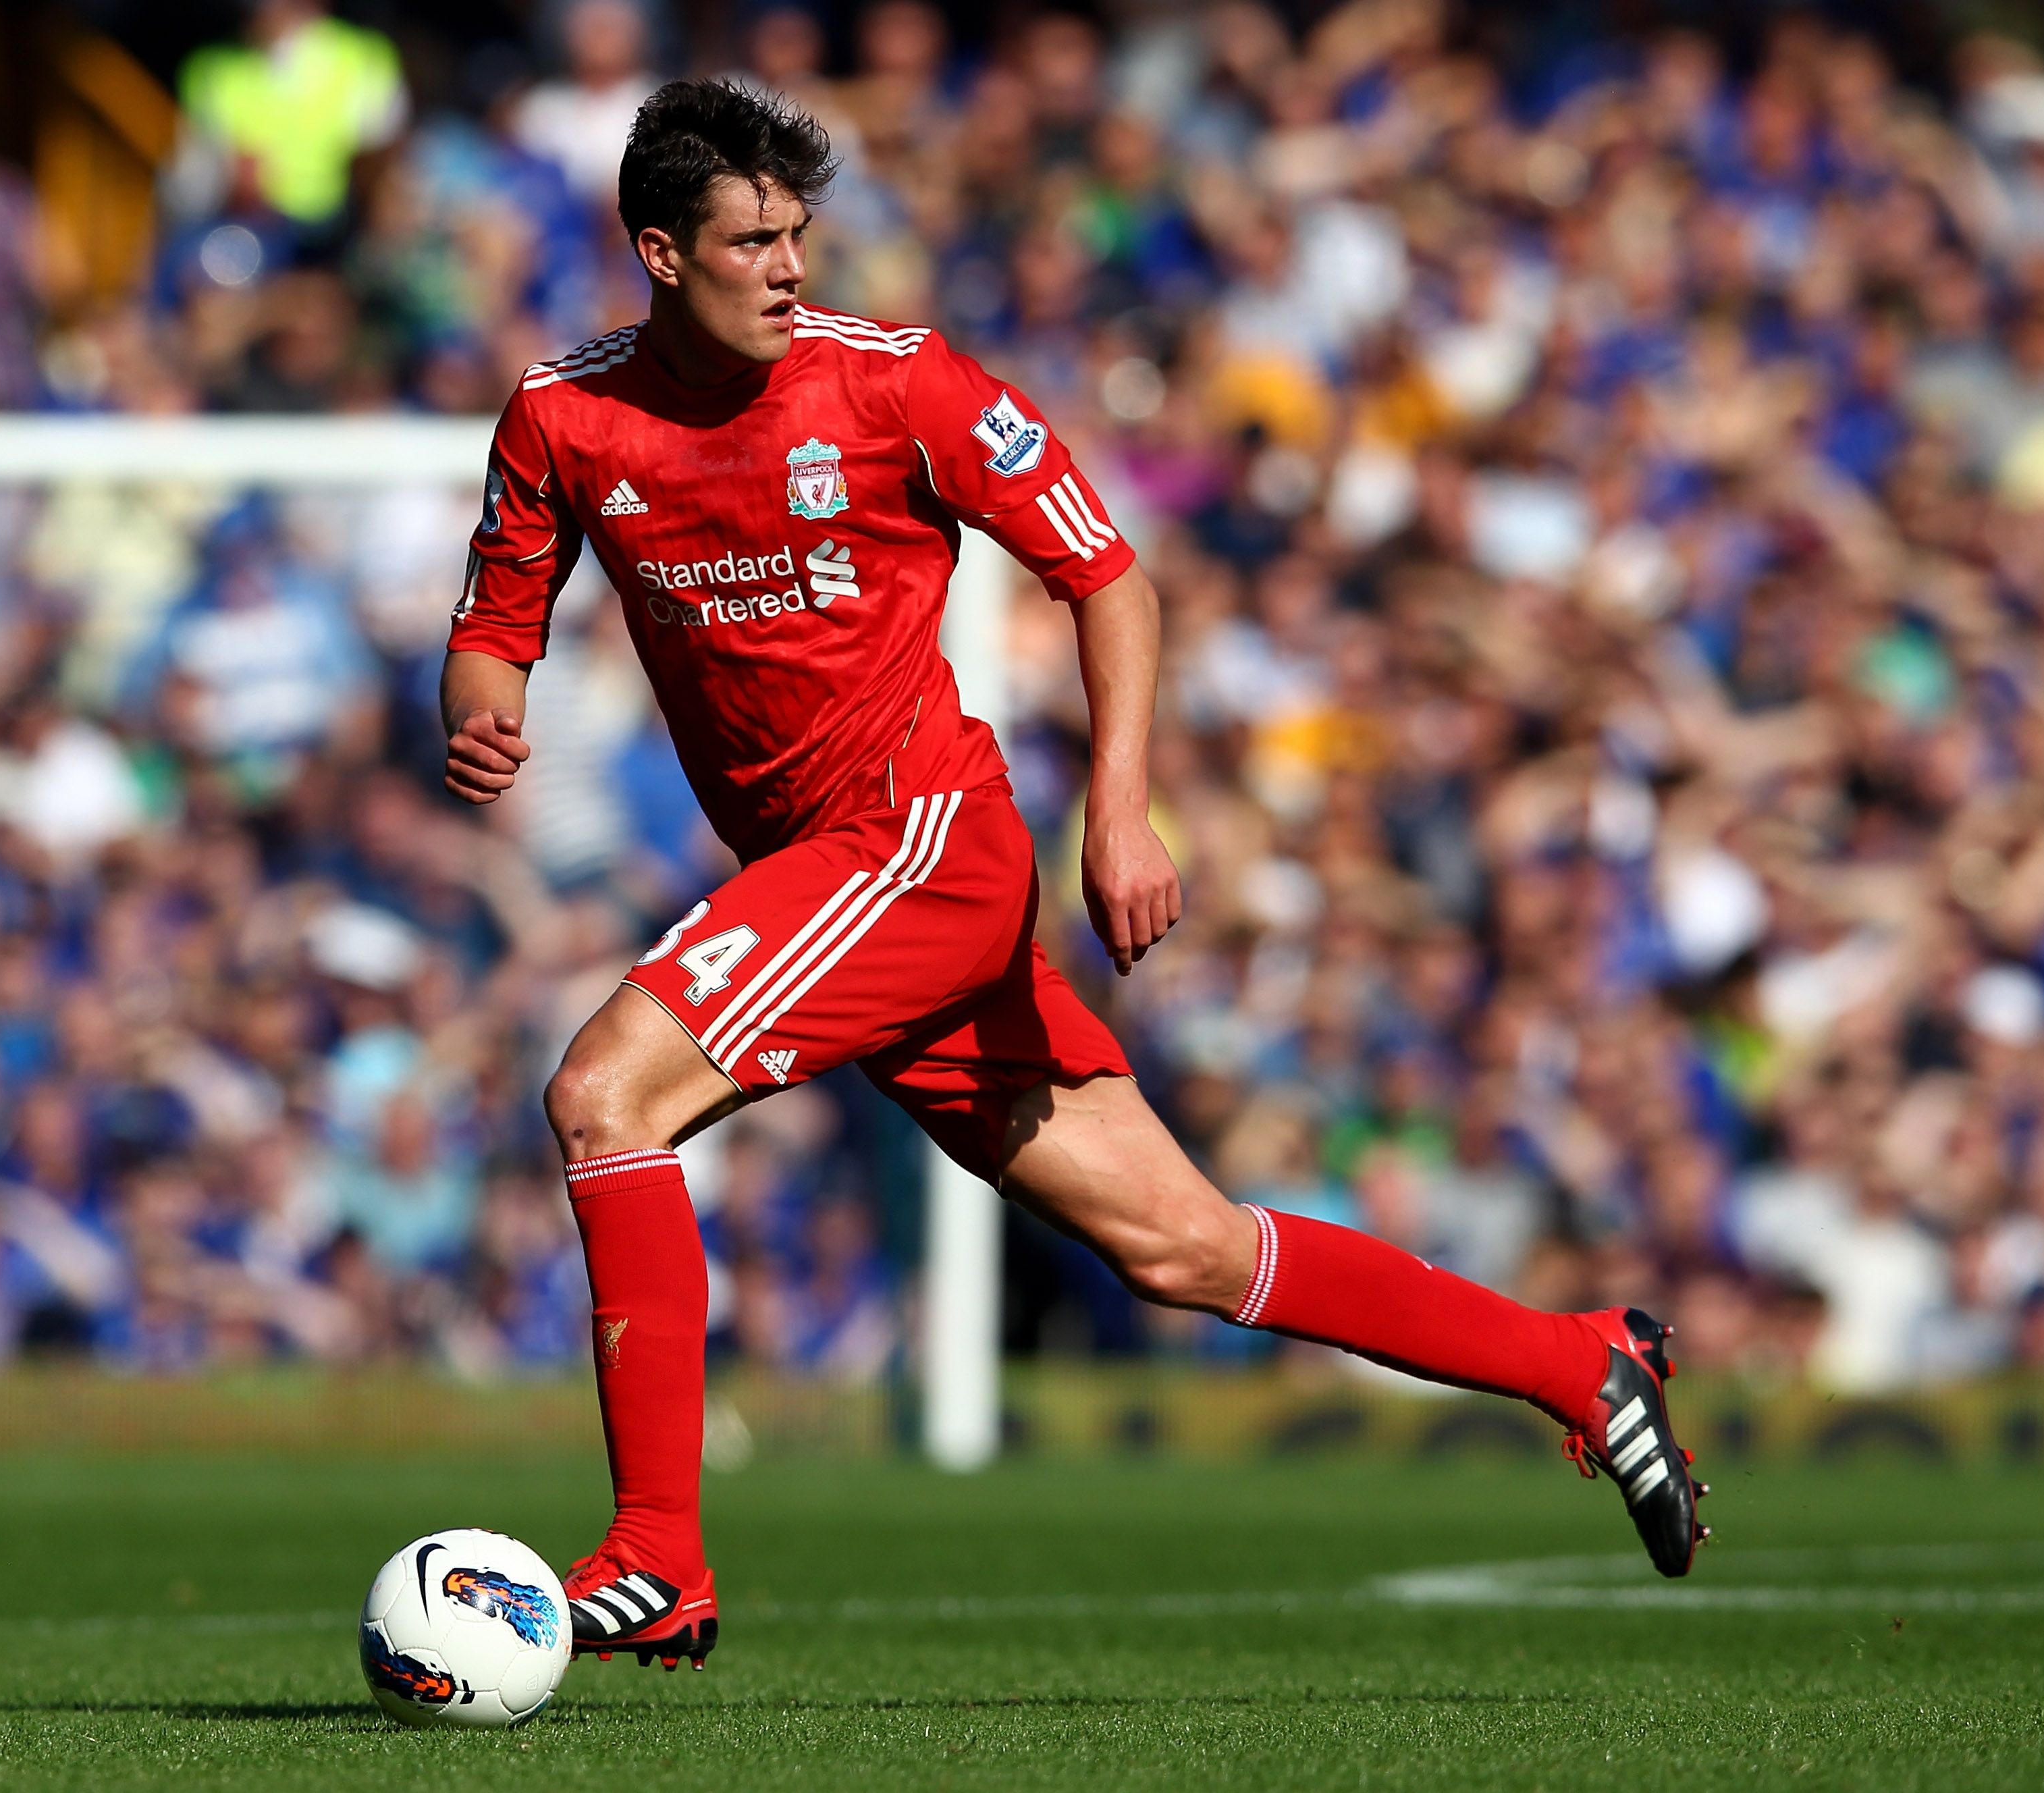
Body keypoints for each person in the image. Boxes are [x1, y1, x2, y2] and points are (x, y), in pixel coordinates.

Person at [438, 81, 1708, 1671]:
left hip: (918, 845)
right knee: (1186, 1246)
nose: (785, 266)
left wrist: (1121, 814)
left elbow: (1105, 572)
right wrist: (482, 713)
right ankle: (1578, 1363)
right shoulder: (564, 415)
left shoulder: (901, 385)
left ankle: (657, 1552)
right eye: (751, 240)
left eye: (797, 237)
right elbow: (494, 626)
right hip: (838, 896)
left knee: (603, 1096)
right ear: (656, 251)